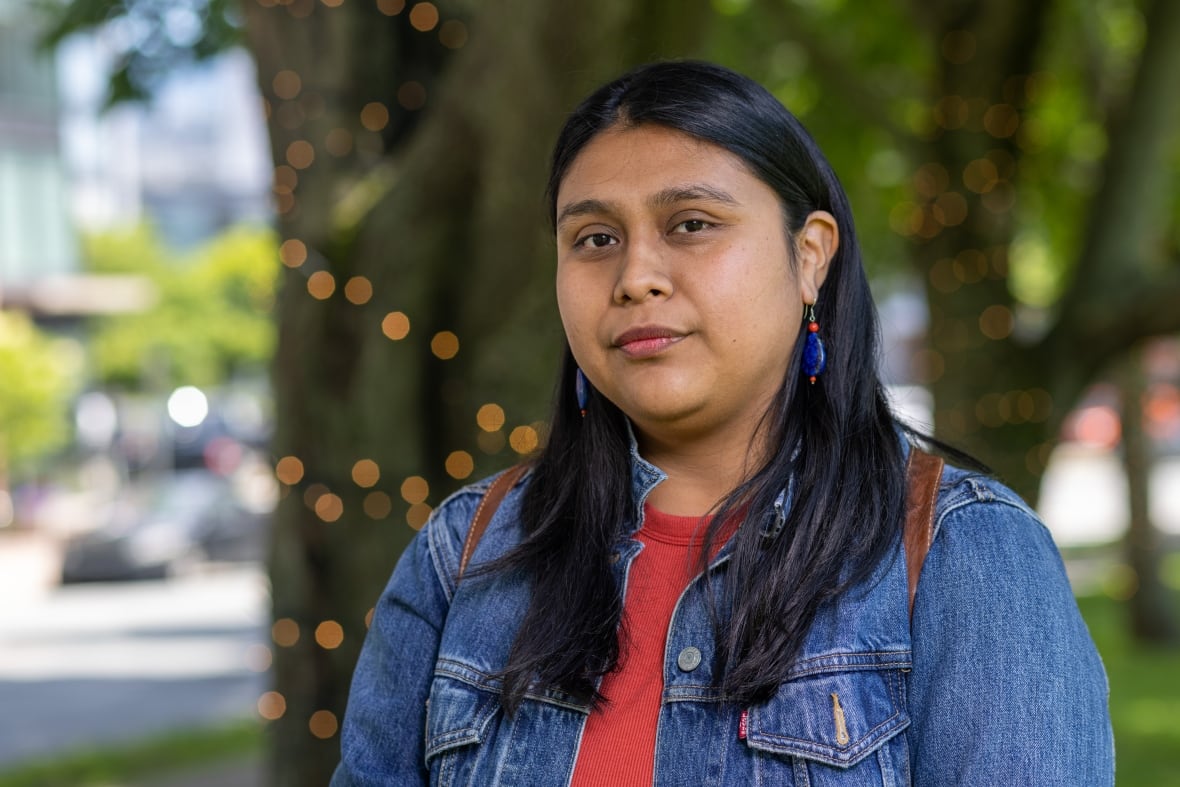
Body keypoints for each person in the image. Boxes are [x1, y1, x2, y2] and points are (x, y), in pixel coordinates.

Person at [331, 60, 1113, 786]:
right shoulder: (464, 553)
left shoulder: (965, 555)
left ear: (810, 255)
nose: (636, 276)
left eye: (691, 224)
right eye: (595, 239)